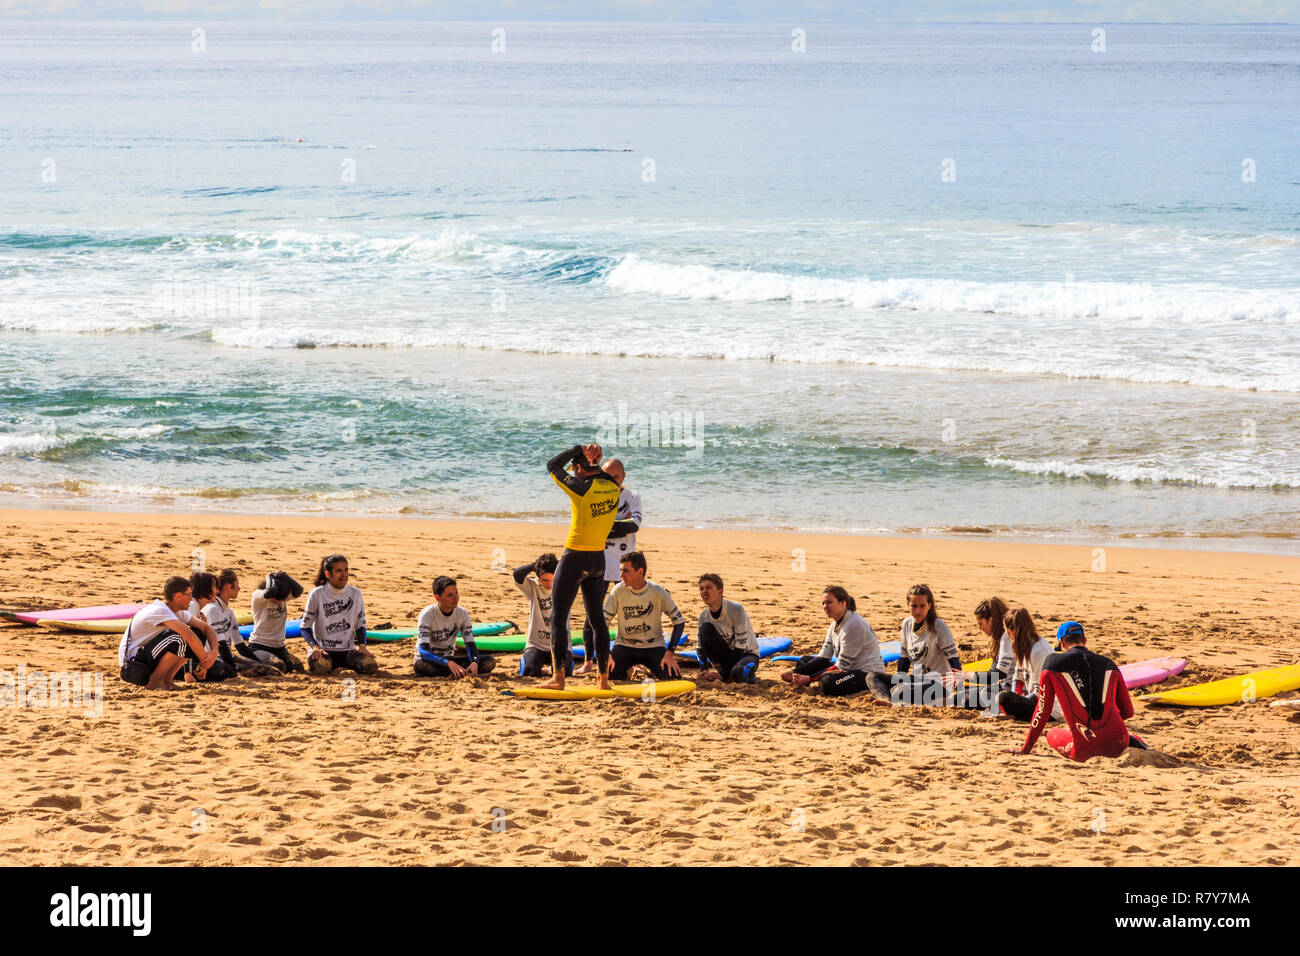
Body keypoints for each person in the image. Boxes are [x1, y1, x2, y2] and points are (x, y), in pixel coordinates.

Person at [1004, 621, 1148, 761]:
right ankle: (1132, 741)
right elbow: (1128, 712)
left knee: (1052, 733)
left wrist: (1025, 748)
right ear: (1084, 641)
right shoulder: (1109, 663)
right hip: (1119, 742)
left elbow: (1042, 711)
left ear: (1062, 643)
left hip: (1083, 750)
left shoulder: (1053, 663)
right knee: (1115, 733)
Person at [541, 442, 621, 691]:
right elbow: (604, 474)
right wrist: (595, 459)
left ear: (578, 468)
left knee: (558, 617)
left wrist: (577, 449)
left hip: (575, 558)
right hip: (598, 560)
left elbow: (552, 465)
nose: (573, 473)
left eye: (575, 469)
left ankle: (558, 678)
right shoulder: (613, 488)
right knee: (597, 620)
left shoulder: (580, 488)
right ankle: (603, 680)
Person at [577, 457, 642, 676]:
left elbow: (634, 525)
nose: (611, 480)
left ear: (623, 476)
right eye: (607, 476)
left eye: (616, 476)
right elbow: (587, 525)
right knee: (592, 616)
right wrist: (617, 527)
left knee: (631, 615)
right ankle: (588, 661)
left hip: (625, 567)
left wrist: (604, 526)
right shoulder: (595, 495)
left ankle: (634, 660)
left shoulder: (632, 497)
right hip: (598, 564)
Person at [781, 586, 889, 699]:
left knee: (827, 682)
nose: (825, 607)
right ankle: (804, 679)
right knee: (804, 661)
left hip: (866, 674)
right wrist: (794, 672)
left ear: (843, 603)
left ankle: (811, 682)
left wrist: (809, 678)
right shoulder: (833, 625)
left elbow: (842, 664)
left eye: (829, 602)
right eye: (823, 603)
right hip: (848, 669)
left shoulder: (853, 625)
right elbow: (823, 657)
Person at [117, 576, 219, 690]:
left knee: (198, 633)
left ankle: (167, 680)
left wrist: (214, 652)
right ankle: (155, 682)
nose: (191, 599)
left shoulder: (178, 612)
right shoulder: (159, 610)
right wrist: (205, 661)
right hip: (133, 666)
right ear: (178, 596)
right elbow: (189, 637)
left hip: (145, 659)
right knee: (180, 638)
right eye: (189, 594)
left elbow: (207, 629)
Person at [604, 551, 686, 681]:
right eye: (620, 570)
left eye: (626, 571)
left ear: (640, 572)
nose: (620, 575)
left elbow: (679, 622)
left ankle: (653, 668)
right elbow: (603, 623)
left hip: (653, 646)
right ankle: (629, 669)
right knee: (609, 675)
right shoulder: (618, 591)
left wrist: (669, 653)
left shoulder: (657, 591)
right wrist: (606, 655)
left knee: (673, 678)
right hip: (625, 646)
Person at [302, 554, 378, 676]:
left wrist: (362, 646)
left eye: (346, 570)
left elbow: (360, 624)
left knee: (371, 666)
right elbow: (305, 627)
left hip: (347, 651)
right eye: (339, 571)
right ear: (328, 574)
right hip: (324, 651)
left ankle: (339, 666)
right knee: (320, 668)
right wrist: (315, 647)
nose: (344, 574)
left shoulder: (356, 594)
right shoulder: (316, 594)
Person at [414, 575, 496, 678]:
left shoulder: (462, 613)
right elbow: (423, 651)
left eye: (456, 593)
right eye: (450, 595)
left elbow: (470, 644)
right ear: (437, 597)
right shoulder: (427, 614)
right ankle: (457, 671)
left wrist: (474, 662)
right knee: (422, 666)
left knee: (489, 662)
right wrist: (447, 662)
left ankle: (456, 672)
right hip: (430, 660)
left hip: (450, 659)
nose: (455, 598)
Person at [202, 569, 278, 678]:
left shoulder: (229, 612)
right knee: (271, 672)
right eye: (237, 585)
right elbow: (221, 646)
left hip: (228, 657)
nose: (239, 588)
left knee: (274, 667)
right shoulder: (212, 610)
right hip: (217, 661)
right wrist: (232, 669)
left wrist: (259, 663)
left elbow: (240, 646)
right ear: (229, 586)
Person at [695, 573, 760, 684]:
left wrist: (723, 673)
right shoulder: (703, 616)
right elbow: (700, 647)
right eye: (701, 589)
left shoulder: (735, 609)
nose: (704, 591)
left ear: (720, 592)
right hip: (724, 658)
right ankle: (727, 674)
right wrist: (704, 669)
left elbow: (741, 647)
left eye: (708, 588)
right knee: (705, 629)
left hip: (746, 654)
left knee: (741, 672)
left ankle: (729, 674)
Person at [513, 553, 569, 678]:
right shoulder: (532, 586)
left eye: (553, 580)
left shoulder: (565, 585)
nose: (549, 584)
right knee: (529, 671)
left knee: (566, 673)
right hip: (536, 644)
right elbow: (517, 574)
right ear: (538, 577)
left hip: (560, 643)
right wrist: (535, 565)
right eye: (545, 580)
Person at [996, 608, 1057, 722]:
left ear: (1011, 631)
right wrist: (1016, 698)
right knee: (999, 695)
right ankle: (1013, 714)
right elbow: (1017, 677)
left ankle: (1013, 715)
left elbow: (1041, 692)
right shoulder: (1023, 646)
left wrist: (1017, 701)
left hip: (1049, 710)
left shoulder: (1038, 651)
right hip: (1032, 700)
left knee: (1003, 697)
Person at [242, 570, 305, 673]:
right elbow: (269, 592)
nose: (278, 602)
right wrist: (269, 576)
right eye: (275, 600)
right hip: (259, 646)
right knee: (278, 666)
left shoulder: (283, 597)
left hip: (279, 648)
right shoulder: (258, 596)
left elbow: (299, 590)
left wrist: (285, 576)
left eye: (281, 600)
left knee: (298, 667)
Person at [186, 571, 236, 682]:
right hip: (178, 662)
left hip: (187, 660)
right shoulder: (192, 606)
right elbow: (187, 639)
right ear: (205, 588)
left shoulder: (198, 609)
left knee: (225, 669)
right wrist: (188, 672)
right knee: (225, 670)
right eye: (214, 587)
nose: (217, 591)